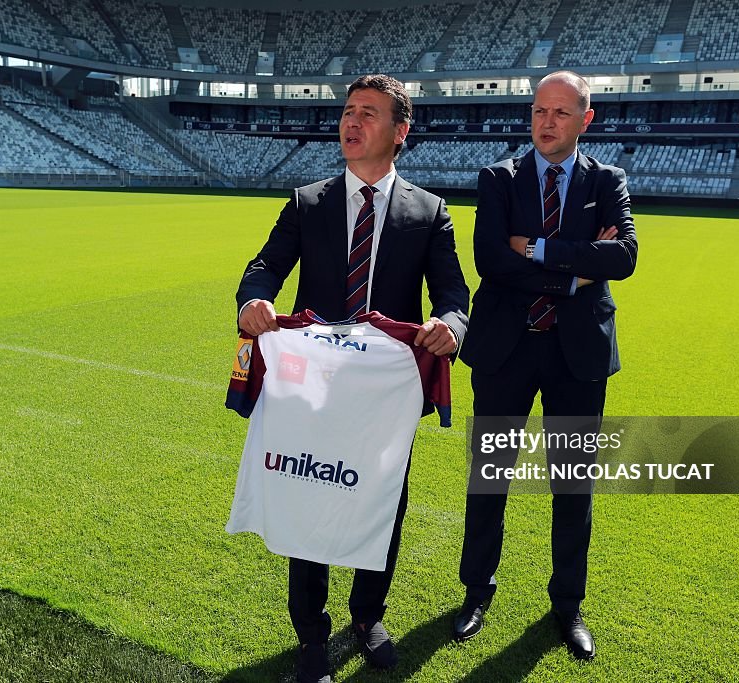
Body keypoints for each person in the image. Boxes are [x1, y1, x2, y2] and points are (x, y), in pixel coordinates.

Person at [235, 74, 469, 683]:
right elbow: (263, 270)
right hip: (312, 385)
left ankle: (367, 616)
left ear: (400, 133)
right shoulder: (307, 201)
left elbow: (452, 295)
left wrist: (449, 325)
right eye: (348, 111)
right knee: (308, 492)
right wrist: (253, 302)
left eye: (369, 113)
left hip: (384, 393)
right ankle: (310, 634)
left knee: (383, 502)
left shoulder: (429, 212)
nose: (352, 121)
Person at [453, 71, 638, 660]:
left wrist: (536, 249)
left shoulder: (607, 180)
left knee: (573, 487)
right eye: (539, 111)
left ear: (586, 118)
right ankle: (476, 592)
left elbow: (625, 257)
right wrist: (580, 272)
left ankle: (567, 605)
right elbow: (490, 264)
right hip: (508, 350)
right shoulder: (498, 179)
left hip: (575, 354)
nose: (547, 122)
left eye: (561, 112)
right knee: (490, 479)